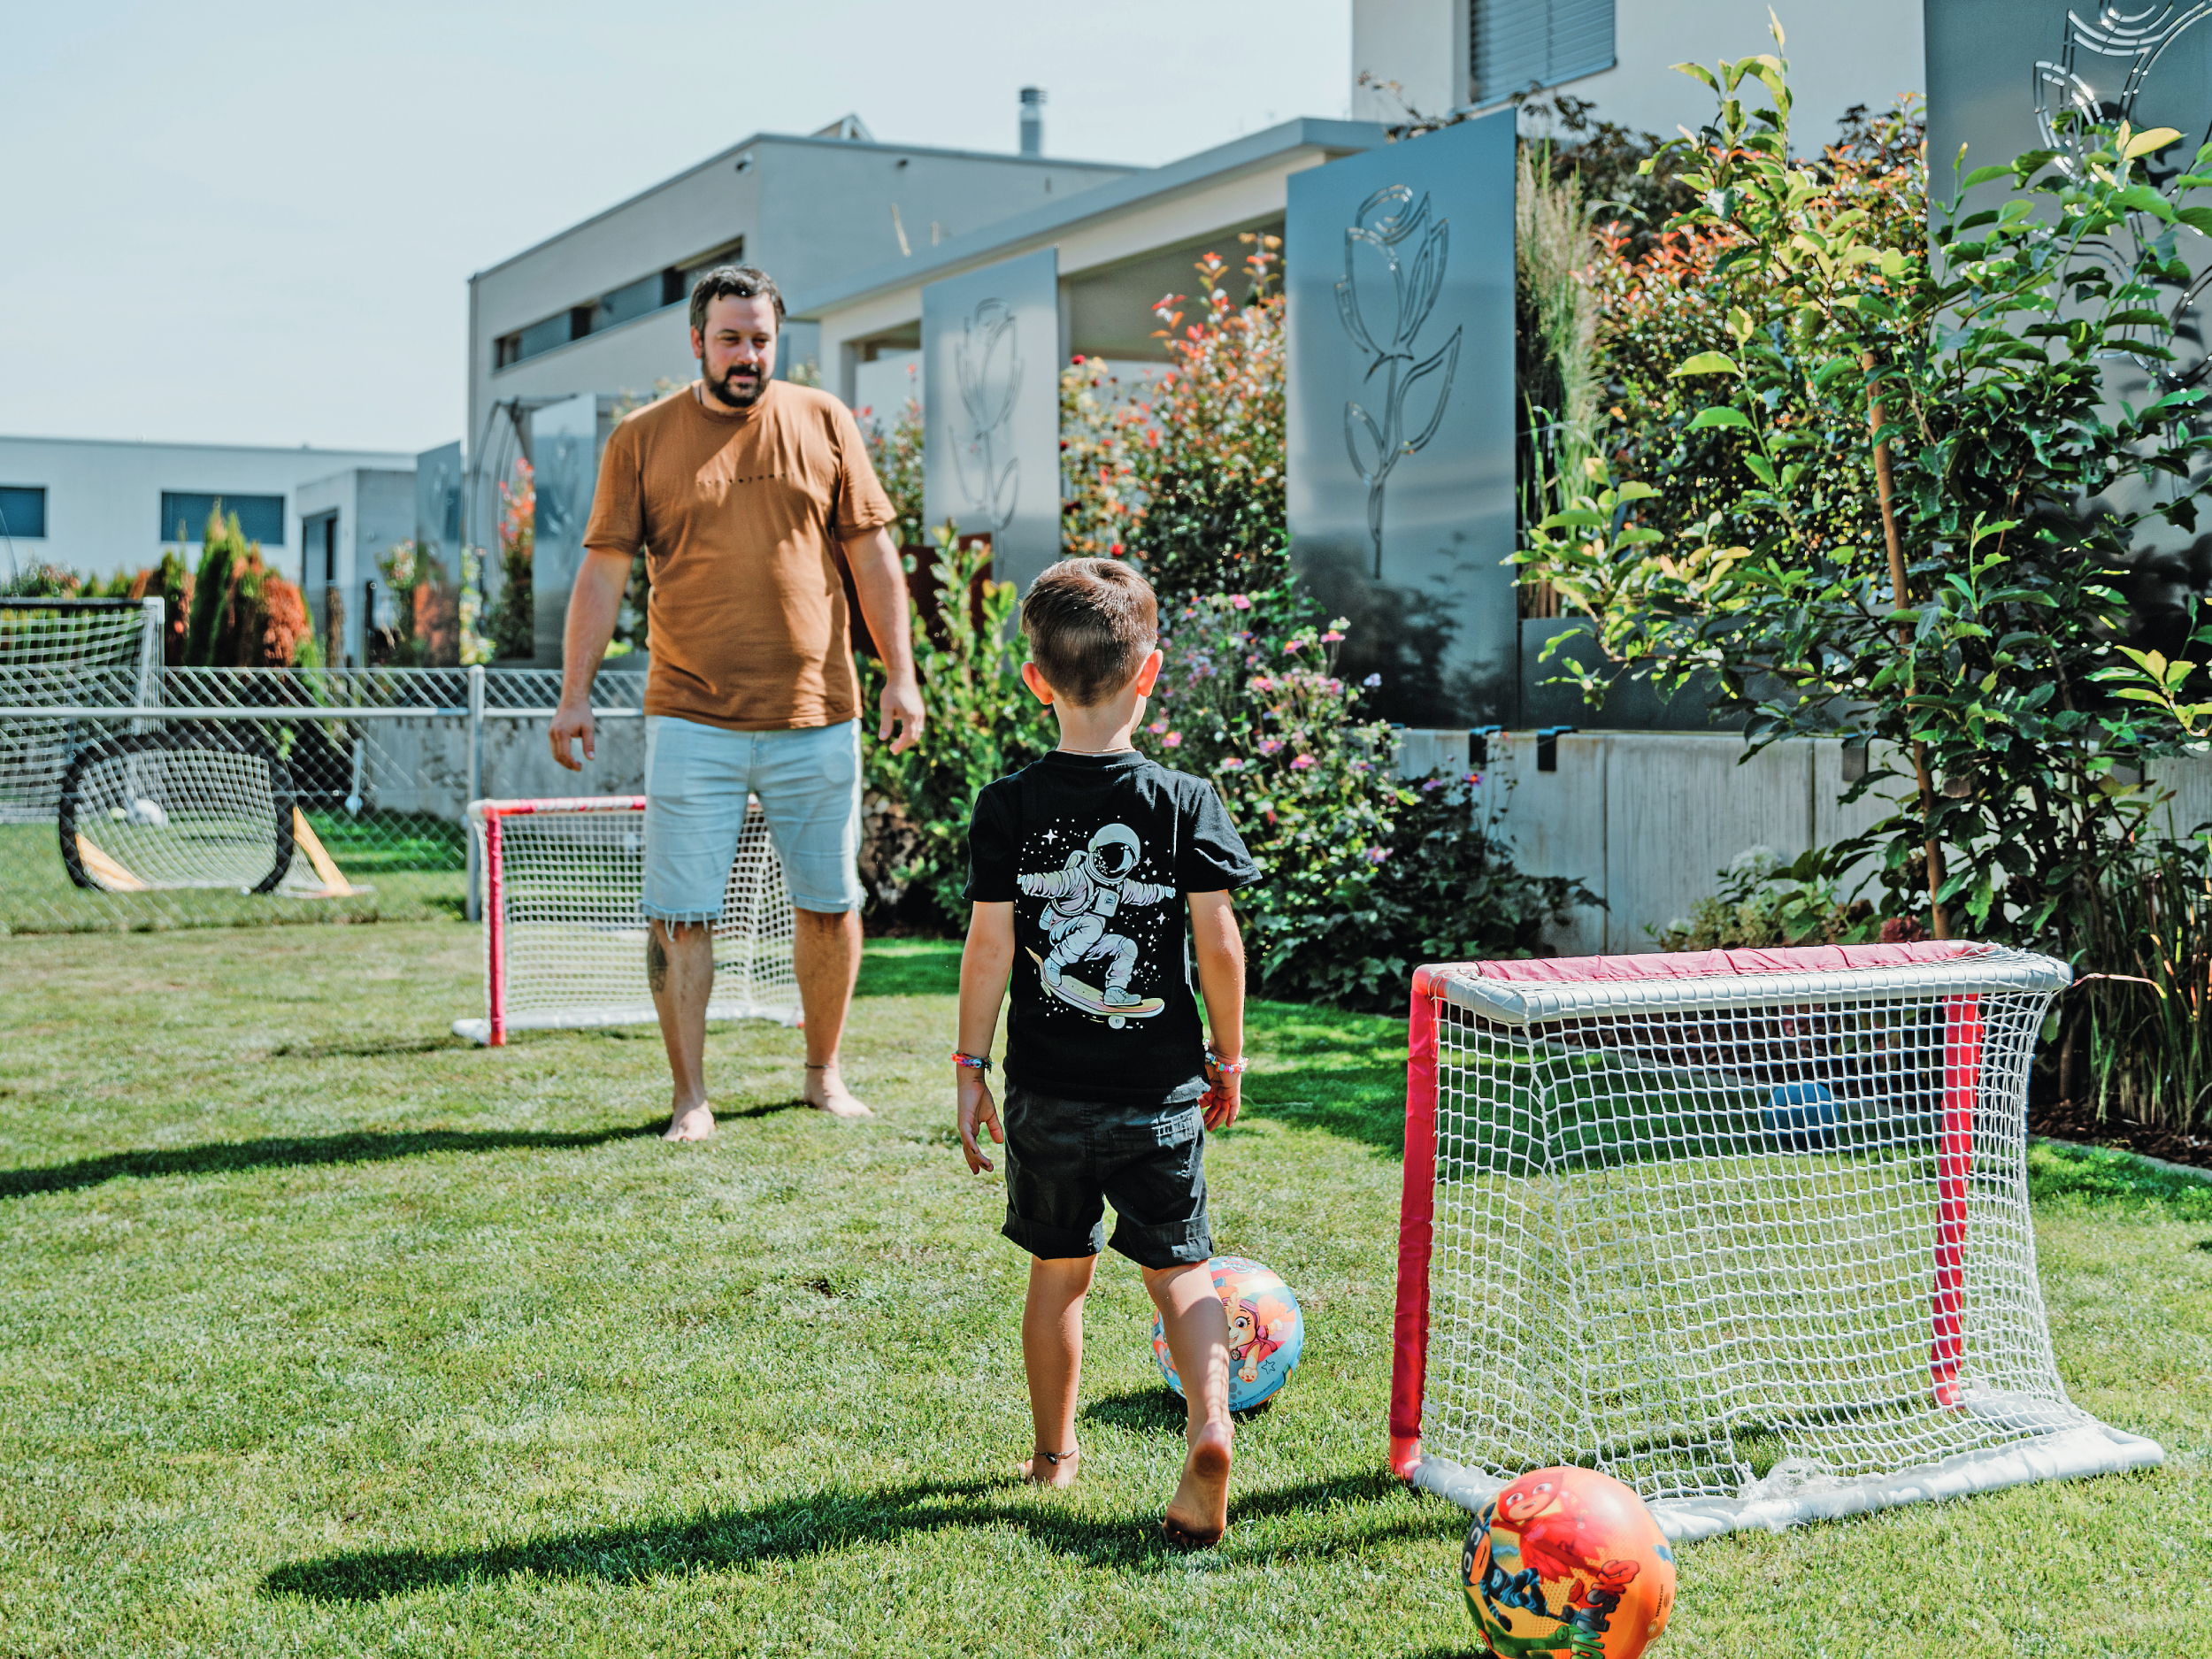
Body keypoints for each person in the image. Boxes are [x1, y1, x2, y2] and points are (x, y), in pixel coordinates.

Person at [549, 265, 924, 1140]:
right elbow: (602, 573)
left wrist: (899, 673)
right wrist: (574, 695)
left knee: (830, 905)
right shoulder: (642, 438)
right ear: (696, 341)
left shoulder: (823, 421)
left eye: (761, 338)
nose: (747, 354)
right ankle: (691, 1098)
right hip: (690, 717)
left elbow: (872, 557)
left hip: (817, 713)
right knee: (682, 913)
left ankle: (823, 1075)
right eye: (730, 338)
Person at [951, 557, 1258, 1548]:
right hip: (1161, 1088)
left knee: (1059, 1273)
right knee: (1181, 1273)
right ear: (1150, 672)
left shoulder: (1008, 806)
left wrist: (970, 1068)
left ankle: (1054, 1457)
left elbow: (990, 944)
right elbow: (1218, 941)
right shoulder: (1184, 801)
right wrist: (1229, 1055)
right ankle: (1209, 1424)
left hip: (1048, 1095)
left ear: (1035, 679)